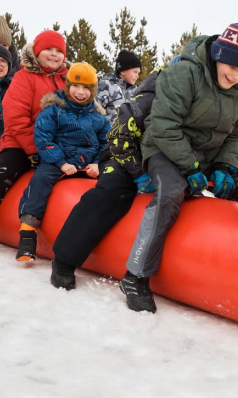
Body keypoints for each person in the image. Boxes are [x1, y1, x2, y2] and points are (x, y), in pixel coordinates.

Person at [114, 9, 238, 313]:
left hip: (207, 157)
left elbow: (236, 136)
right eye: (233, 66)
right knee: (170, 192)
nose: (236, 76)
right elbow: (164, 127)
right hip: (163, 150)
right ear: (221, 52)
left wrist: (226, 166)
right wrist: (191, 167)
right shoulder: (184, 73)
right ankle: (135, 275)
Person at [49, 67, 162, 290]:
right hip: (125, 155)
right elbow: (120, 137)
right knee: (111, 193)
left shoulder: (211, 100)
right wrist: (138, 172)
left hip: (167, 162)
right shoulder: (148, 99)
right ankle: (64, 259)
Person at [16, 62, 110, 262]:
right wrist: (60, 163)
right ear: (68, 86)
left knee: (110, 183)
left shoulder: (99, 117)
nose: (80, 92)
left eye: (86, 88)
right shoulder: (54, 110)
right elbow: (43, 139)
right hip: (58, 159)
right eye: (76, 86)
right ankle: (28, 232)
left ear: (93, 91)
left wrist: (98, 164)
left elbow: (106, 143)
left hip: (87, 163)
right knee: (39, 181)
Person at [0, 30, 67, 243]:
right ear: (37, 53)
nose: (54, 54)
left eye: (59, 51)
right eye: (48, 49)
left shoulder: (68, 81)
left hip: (54, 145)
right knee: (5, 172)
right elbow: (16, 118)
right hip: (19, 142)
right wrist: (34, 150)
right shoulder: (23, 77)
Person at [96, 50, 142, 123]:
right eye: (135, 72)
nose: (137, 76)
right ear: (123, 71)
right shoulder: (107, 85)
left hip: (129, 133)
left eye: (138, 73)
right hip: (109, 132)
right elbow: (96, 110)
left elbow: (138, 113)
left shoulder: (135, 91)